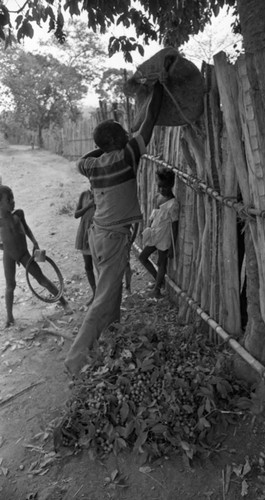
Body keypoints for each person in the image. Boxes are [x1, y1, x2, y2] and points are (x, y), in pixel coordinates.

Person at [64, 80, 164, 376]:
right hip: (112, 238)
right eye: (122, 133)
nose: (128, 134)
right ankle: (75, 359)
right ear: (115, 141)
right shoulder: (126, 157)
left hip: (98, 237)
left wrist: (103, 147)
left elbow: (83, 160)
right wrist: (157, 92)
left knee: (112, 293)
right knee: (103, 298)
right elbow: (150, 122)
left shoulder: (93, 166)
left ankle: (113, 339)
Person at [0, 186, 70, 327]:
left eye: (13, 197)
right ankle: (10, 317)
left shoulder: (18, 214)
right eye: (9, 199)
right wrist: (3, 246)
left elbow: (26, 229)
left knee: (41, 278)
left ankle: (64, 302)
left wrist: (35, 242)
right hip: (9, 255)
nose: (13, 201)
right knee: (10, 286)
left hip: (25, 254)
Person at [139, 167, 179, 298]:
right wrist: (149, 228)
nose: (162, 189)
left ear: (171, 185)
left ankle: (157, 289)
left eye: (165, 187)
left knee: (162, 263)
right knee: (143, 257)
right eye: (160, 186)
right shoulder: (158, 197)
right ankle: (158, 280)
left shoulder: (173, 204)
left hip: (165, 237)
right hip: (154, 234)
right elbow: (153, 215)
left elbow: (174, 225)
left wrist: (172, 247)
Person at [74, 187, 96, 305]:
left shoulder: (102, 195)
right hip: (85, 234)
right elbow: (76, 214)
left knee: (101, 266)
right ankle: (95, 292)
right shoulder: (84, 195)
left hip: (97, 234)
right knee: (88, 266)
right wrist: (88, 205)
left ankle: (102, 295)